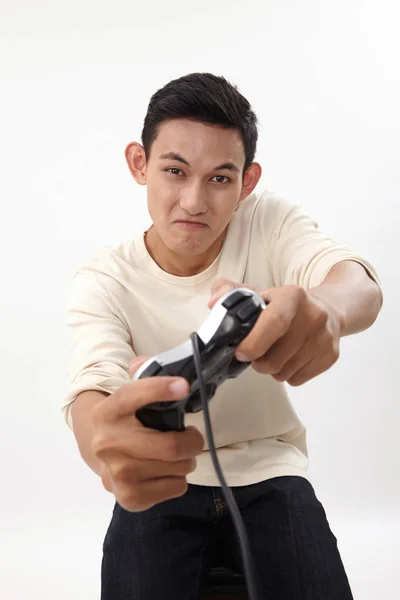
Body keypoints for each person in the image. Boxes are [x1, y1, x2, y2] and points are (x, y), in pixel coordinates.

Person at [63, 72, 382, 600]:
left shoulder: (270, 221)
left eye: (219, 178)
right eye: (174, 170)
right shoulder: (103, 277)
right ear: (139, 164)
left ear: (247, 181)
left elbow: (356, 282)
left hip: (271, 471)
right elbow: (91, 385)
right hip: (164, 477)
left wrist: (326, 310)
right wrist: (105, 451)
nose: (192, 201)